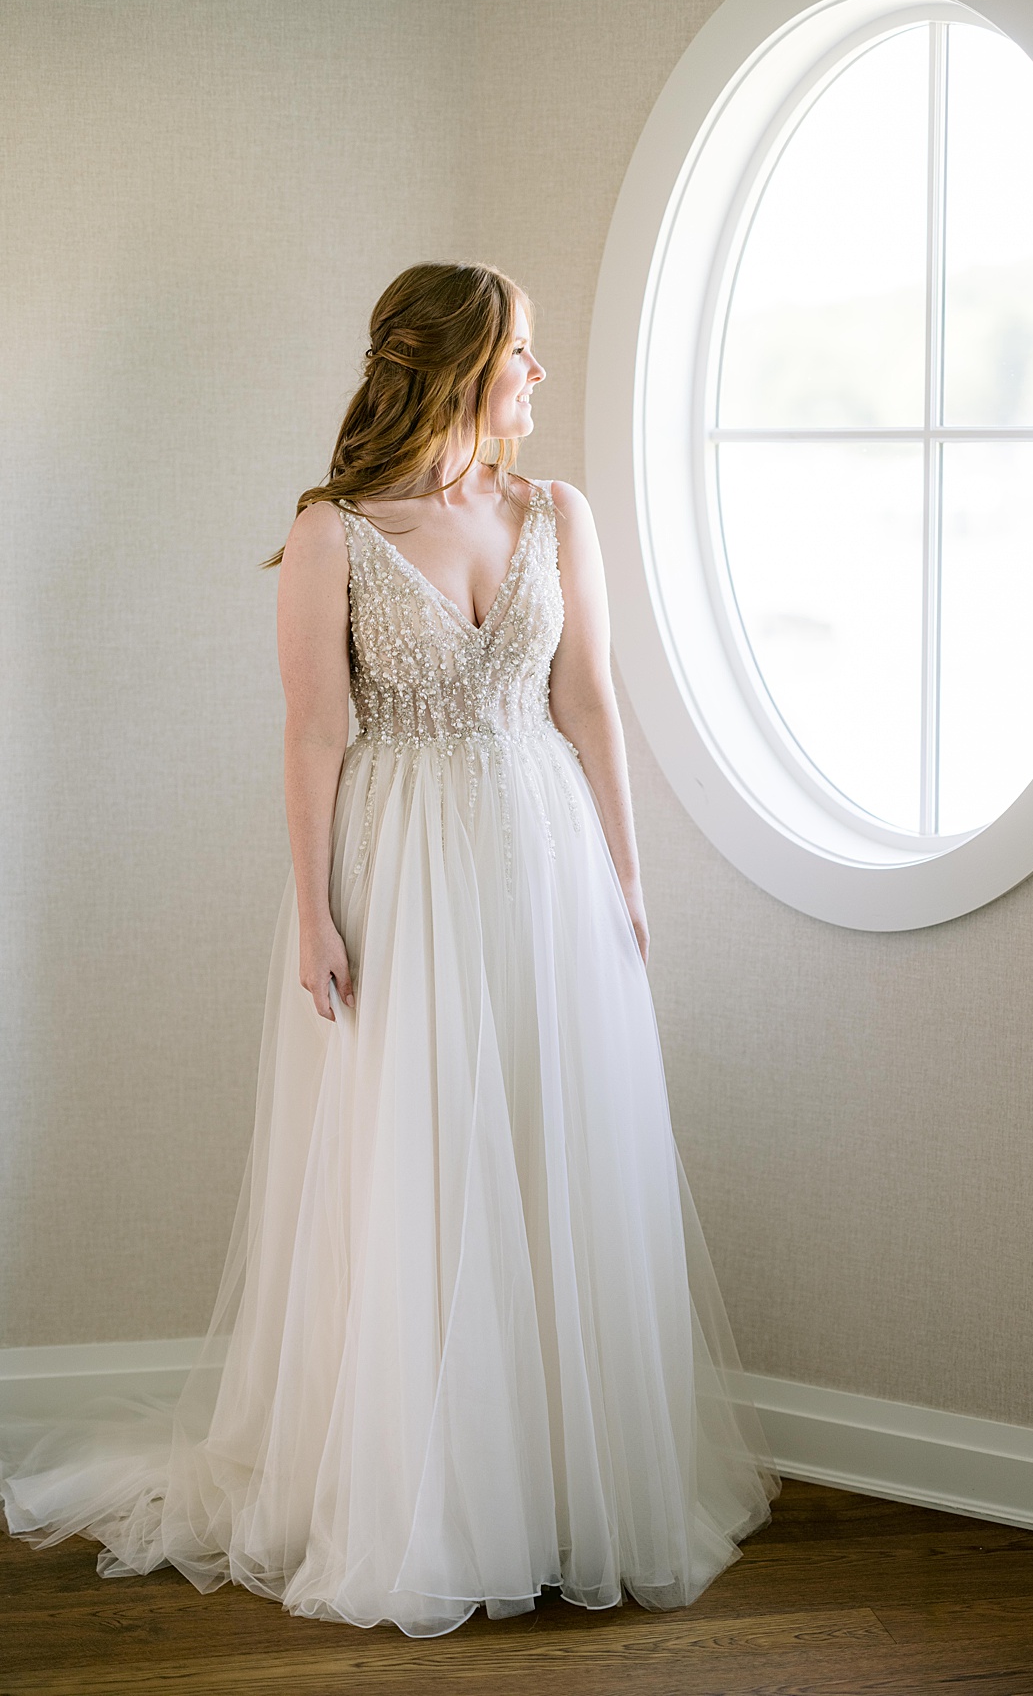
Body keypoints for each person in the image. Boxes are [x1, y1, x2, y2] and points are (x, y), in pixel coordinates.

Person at [0, 261, 779, 1637]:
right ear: (463, 362)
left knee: (553, 1157)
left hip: (543, 861)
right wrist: (316, 913)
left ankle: (556, 1495)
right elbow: (314, 734)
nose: (540, 376)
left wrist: (628, 874)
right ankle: (427, 1499)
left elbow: (590, 701)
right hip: (404, 866)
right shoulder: (334, 533)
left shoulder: (558, 513)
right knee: (418, 1171)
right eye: (523, 353)